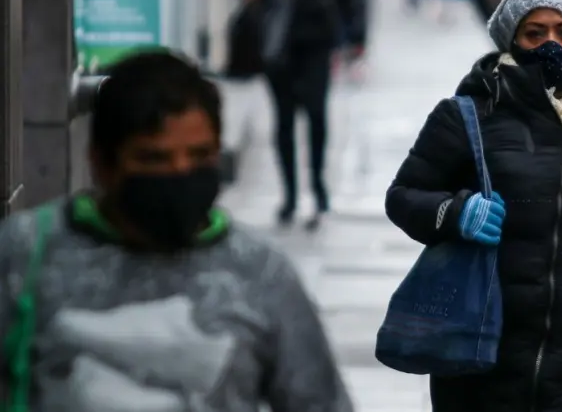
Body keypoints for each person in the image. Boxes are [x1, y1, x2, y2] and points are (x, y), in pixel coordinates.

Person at [0, 51, 354, 411]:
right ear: (102, 163)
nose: (179, 174)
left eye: (199, 157)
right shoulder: (25, 255)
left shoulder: (260, 273)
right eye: (154, 159)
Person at [385, 0, 562, 412]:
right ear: (512, 40)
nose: (550, 44)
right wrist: (458, 213)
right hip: (481, 354)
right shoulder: (468, 114)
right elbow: (403, 196)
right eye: (535, 33)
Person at [233, 0, 356, 227]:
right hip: (277, 35)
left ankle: (317, 189)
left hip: (316, 34)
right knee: (284, 117)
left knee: (316, 113)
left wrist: (354, 34)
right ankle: (289, 193)